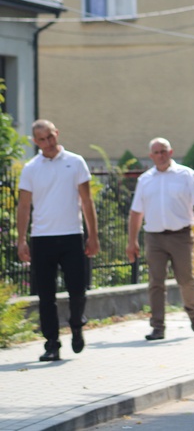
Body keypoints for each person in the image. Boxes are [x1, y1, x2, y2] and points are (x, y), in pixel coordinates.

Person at [16, 119, 100, 362]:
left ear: (57, 134)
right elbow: (23, 206)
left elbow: (87, 201)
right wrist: (21, 240)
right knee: (46, 296)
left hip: (71, 236)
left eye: (50, 137)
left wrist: (92, 235)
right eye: (41, 140)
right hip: (41, 238)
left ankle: (76, 324)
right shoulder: (31, 168)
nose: (47, 143)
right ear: (35, 141)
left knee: (77, 290)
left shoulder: (75, 162)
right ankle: (51, 343)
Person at [126, 138, 194, 341]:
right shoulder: (145, 179)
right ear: (151, 156)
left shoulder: (186, 175)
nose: (160, 155)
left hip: (180, 236)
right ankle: (158, 326)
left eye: (163, 151)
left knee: (186, 280)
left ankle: (192, 311)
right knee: (156, 282)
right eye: (156, 152)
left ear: (170, 152)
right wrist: (132, 241)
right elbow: (136, 212)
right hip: (154, 237)